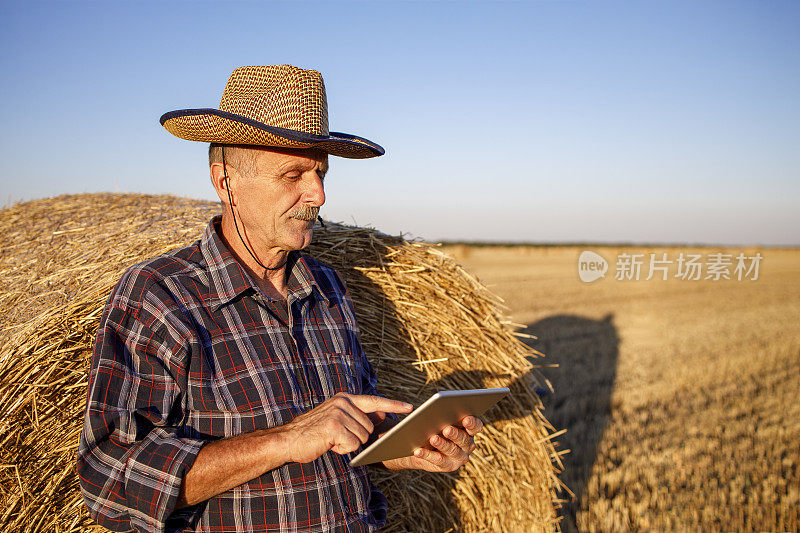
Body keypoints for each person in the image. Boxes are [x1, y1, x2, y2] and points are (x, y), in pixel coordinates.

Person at [77, 65, 484, 532]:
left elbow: (347, 430)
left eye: (321, 173)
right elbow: (109, 480)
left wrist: (410, 447)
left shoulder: (327, 289)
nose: (319, 195)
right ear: (225, 180)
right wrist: (285, 439)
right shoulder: (161, 295)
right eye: (294, 174)